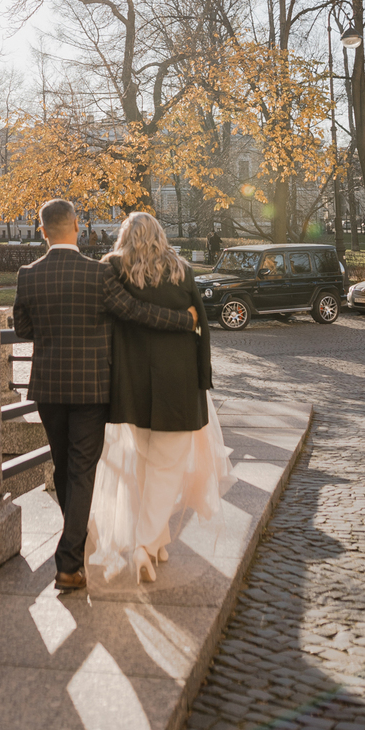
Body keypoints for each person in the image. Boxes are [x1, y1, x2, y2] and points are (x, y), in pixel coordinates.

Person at [13, 199, 199, 593]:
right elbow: (135, 312)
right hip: (91, 388)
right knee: (82, 470)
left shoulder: (27, 274)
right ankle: (69, 561)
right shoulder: (97, 275)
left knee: (63, 468)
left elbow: (24, 328)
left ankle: (78, 541)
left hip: (47, 387)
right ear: (77, 227)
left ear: (42, 231)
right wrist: (184, 321)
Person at [88, 211, 237, 585]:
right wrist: (204, 378)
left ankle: (156, 541)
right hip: (178, 383)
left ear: (125, 235)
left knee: (144, 463)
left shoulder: (113, 268)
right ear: (160, 235)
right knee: (166, 467)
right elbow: (201, 325)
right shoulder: (181, 270)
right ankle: (143, 544)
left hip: (132, 383)